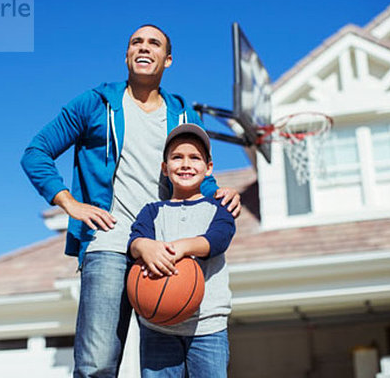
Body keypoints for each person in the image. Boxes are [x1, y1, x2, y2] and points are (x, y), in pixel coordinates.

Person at [20, 24, 241, 378]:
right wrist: (69, 203)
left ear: (167, 60)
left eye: (154, 43)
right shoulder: (95, 104)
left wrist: (220, 193)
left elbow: (199, 173)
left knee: (162, 358)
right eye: (136, 41)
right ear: (126, 55)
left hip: (161, 247)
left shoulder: (182, 113)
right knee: (97, 363)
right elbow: (36, 152)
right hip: (108, 241)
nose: (144, 46)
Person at [129, 123, 235, 378]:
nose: (186, 164)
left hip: (208, 326)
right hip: (158, 326)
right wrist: (144, 246)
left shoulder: (218, 208)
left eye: (195, 158)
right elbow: (134, 242)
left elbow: (218, 240)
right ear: (165, 168)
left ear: (209, 168)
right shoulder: (153, 212)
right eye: (177, 157)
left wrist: (180, 248)